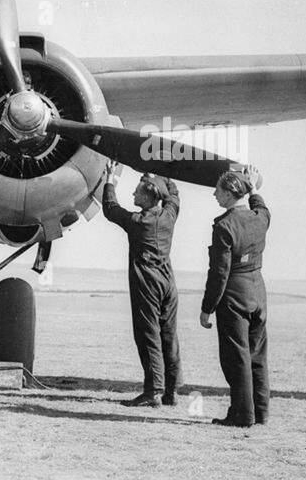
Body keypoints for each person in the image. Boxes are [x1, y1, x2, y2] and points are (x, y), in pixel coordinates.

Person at [102, 164, 182, 408]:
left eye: (137, 192)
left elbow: (110, 209)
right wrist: (158, 176)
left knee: (148, 335)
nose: (133, 195)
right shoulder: (169, 214)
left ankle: (153, 391)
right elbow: (173, 194)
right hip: (168, 281)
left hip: (147, 281)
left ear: (147, 198)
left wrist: (110, 181)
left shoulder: (138, 221)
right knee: (169, 335)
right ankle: (172, 391)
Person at [201, 166, 270, 427]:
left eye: (218, 190)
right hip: (258, 291)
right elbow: (262, 207)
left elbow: (219, 273)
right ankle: (261, 412)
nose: (214, 194)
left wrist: (207, 307)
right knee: (257, 355)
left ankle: (242, 414)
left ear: (230, 193)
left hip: (233, 294)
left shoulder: (224, 226)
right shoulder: (260, 218)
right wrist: (253, 189)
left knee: (236, 357)